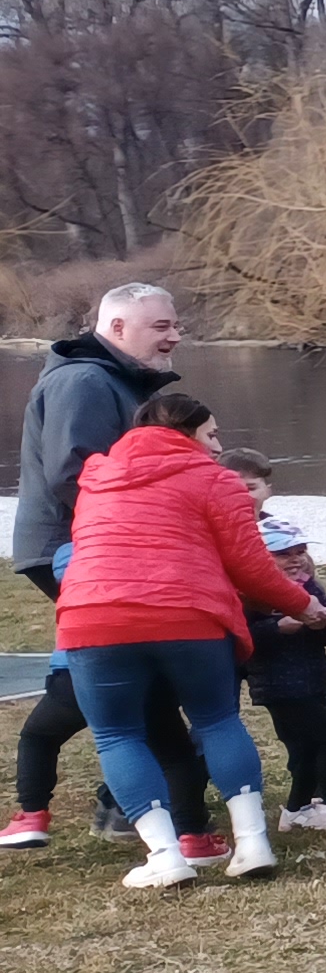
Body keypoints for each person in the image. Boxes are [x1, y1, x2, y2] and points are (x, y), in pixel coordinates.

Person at [49, 390, 322, 887]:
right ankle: (253, 843)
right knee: (217, 720)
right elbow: (251, 567)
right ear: (187, 432)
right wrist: (304, 605)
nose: (218, 447)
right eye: (212, 434)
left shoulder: (96, 479)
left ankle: (165, 855)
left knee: (117, 734)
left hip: (94, 617)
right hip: (190, 616)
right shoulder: (216, 481)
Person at [7, 281, 217, 856]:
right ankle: (149, 811)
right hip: (73, 549)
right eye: (161, 326)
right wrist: (147, 541)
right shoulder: (85, 381)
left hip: (95, 548)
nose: (175, 335)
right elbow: (76, 472)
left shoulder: (114, 379)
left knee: (143, 675)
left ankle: (135, 805)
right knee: (137, 676)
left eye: (176, 324)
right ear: (117, 328)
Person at [220, 449, 326, 836]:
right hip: (279, 688)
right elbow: (246, 639)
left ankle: (296, 809)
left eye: (301, 550)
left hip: (316, 680)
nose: (297, 559)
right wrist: (283, 625)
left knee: (304, 751)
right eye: (284, 554)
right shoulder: (249, 595)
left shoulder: (311, 587)